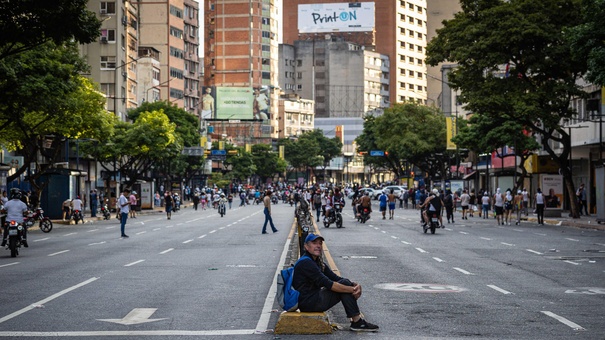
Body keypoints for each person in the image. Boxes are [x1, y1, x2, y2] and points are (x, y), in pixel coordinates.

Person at [292, 233, 379, 332]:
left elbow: (336, 278)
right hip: (308, 303)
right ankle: (357, 322)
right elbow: (329, 284)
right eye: (314, 243)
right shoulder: (306, 263)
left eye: (320, 243)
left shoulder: (317, 262)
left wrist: (355, 285)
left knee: (344, 282)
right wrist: (352, 289)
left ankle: (357, 322)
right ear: (306, 247)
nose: (318, 246)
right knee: (344, 286)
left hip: (313, 299)